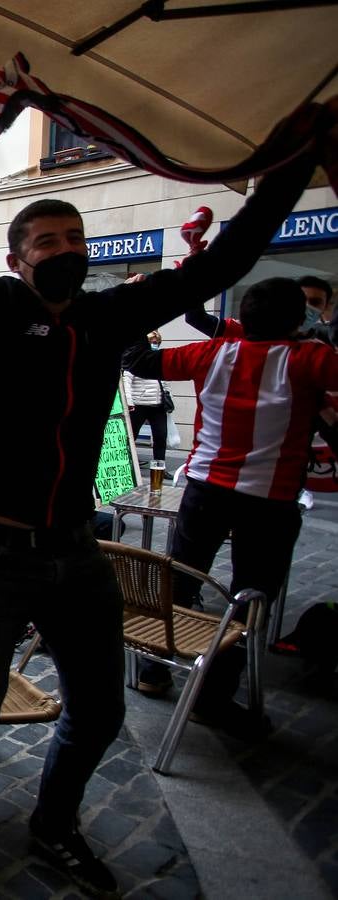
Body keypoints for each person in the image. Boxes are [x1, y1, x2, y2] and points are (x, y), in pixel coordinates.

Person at [0, 95, 317, 899]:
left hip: (72, 550)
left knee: (98, 712)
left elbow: (222, 266)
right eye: (47, 243)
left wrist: (294, 165)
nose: (66, 252)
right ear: (19, 259)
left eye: (74, 241)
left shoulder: (105, 315)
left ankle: (54, 827)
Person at [125, 278, 338, 734]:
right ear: (297, 319)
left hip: (205, 489)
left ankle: (156, 670)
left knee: (182, 577)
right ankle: (213, 695)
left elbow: (138, 360)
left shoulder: (216, 352)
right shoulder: (312, 359)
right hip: (271, 498)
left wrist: (138, 309)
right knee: (251, 598)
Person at [121, 330, 170, 469]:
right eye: (153, 342)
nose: (155, 345)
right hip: (139, 404)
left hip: (158, 405)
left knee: (161, 437)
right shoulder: (136, 358)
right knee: (132, 436)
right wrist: (129, 402)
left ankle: (159, 468)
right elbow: (127, 381)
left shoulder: (158, 359)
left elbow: (164, 381)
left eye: (157, 343)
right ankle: (127, 464)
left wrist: (168, 398)